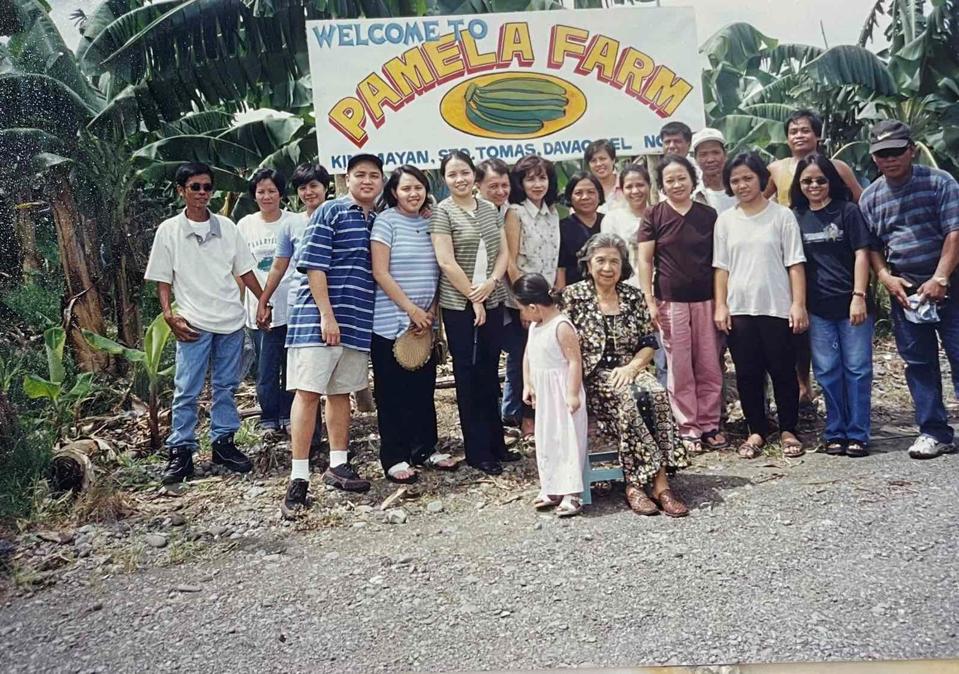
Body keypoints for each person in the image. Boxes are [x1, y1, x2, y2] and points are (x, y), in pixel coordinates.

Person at [144, 162, 263, 484]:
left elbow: (245, 270)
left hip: (231, 320)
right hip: (193, 321)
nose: (201, 193)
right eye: (194, 187)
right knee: (187, 389)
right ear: (181, 190)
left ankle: (223, 444)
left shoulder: (227, 227)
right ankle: (181, 451)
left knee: (226, 387)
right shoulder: (169, 230)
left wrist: (263, 300)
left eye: (207, 187)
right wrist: (169, 314)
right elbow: (162, 279)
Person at [280, 154, 383, 517]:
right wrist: (326, 315)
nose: (367, 181)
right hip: (318, 319)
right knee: (308, 393)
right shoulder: (331, 212)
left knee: (341, 394)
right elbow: (314, 266)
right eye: (360, 175)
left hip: (356, 322)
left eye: (374, 175)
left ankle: (338, 464)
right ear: (347, 179)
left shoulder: (377, 220)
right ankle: (299, 476)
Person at [563, 233, 690, 518]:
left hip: (630, 367)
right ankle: (640, 485)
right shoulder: (573, 296)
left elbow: (648, 343)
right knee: (629, 400)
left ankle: (657, 485)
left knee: (656, 393)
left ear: (623, 266)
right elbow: (561, 343)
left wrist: (632, 368)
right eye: (601, 261)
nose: (607, 268)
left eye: (614, 262)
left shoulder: (632, 296)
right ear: (588, 263)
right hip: (594, 375)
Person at [860, 119, 959, 460]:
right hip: (905, 288)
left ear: (911, 150)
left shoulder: (939, 182)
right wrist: (885, 277)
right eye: (882, 154)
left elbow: (953, 233)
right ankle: (934, 431)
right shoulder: (871, 197)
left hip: (950, 281)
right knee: (918, 362)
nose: (889, 159)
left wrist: (941, 277)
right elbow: (871, 245)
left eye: (896, 151)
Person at [714, 152, 808, 459]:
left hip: (777, 307)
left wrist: (798, 304)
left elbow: (795, 263)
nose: (742, 185)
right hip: (740, 308)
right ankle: (756, 429)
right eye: (735, 180)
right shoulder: (726, 220)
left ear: (761, 179)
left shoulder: (782, 216)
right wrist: (721, 306)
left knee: (782, 370)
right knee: (747, 373)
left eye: (747, 178)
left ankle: (788, 429)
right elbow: (721, 268)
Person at [430, 150, 517, 475]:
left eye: (464, 172)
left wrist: (492, 283)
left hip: (491, 300)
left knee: (489, 372)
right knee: (467, 375)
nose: (460, 179)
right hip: (459, 306)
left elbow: (503, 251)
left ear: (473, 175)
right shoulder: (443, 212)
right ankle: (477, 451)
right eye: (452, 175)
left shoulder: (488, 208)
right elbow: (445, 260)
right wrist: (473, 297)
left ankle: (497, 444)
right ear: (445, 179)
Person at [370, 165, 455, 483]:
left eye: (418, 187)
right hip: (391, 322)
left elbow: (438, 270)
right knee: (392, 394)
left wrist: (430, 313)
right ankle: (394, 456)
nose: (413, 193)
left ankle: (425, 449)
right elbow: (381, 272)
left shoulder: (432, 220)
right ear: (394, 192)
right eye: (406, 188)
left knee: (423, 389)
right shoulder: (385, 221)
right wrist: (411, 310)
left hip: (425, 322)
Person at [638, 155, 726, 453]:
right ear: (662, 185)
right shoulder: (654, 215)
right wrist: (649, 300)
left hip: (707, 300)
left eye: (682, 178)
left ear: (693, 179)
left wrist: (721, 302)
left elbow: (719, 264)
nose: (676, 184)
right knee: (679, 366)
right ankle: (687, 427)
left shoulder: (708, 215)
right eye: (670, 180)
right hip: (670, 301)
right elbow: (645, 260)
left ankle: (710, 424)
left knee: (709, 363)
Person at [789, 153, 875, 457]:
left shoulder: (848, 211)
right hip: (817, 307)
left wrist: (859, 295)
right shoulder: (795, 216)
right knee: (827, 370)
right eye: (807, 181)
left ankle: (859, 433)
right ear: (799, 185)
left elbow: (862, 254)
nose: (814, 185)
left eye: (820, 180)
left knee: (858, 369)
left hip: (852, 303)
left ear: (831, 181)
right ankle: (835, 430)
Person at [256, 163, 330, 455]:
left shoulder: (339, 213)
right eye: (302, 187)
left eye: (313, 185)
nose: (308, 192)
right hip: (303, 308)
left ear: (325, 187)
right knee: (306, 376)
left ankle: (335, 443)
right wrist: (264, 298)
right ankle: (309, 442)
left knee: (333, 380)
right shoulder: (291, 224)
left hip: (338, 305)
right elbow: (278, 265)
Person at [515, 274, 587, 517]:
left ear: (533, 307)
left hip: (563, 391)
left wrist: (572, 393)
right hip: (544, 394)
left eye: (522, 310)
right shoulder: (535, 326)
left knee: (567, 440)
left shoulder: (561, 325)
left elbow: (575, 361)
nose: (522, 315)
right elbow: (528, 355)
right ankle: (552, 486)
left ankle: (572, 493)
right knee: (548, 439)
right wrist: (528, 383)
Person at [503, 155, 561, 436]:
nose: (537, 184)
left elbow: (554, 260)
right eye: (530, 178)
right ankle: (524, 418)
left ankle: (544, 414)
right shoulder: (516, 212)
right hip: (524, 302)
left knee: (547, 357)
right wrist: (525, 305)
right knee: (525, 358)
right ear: (520, 182)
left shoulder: (552, 213)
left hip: (548, 302)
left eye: (542, 178)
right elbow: (511, 263)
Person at [237, 168, 297, 439]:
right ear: (254, 195)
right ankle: (269, 416)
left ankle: (289, 414)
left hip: (294, 306)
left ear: (281, 193)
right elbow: (239, 269)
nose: (267, 196)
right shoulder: (245, 225)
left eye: (272, 190)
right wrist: (241, 305)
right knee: (266, 368)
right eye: (261, 191)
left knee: (293, 367)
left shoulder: (294, 221)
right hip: (260, 309)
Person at [766, 109, 863, 207]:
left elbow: (862, 200)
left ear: (818, 136)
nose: (799, 136)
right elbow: (757, 200)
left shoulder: (838, 168)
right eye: (793, 132)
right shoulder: (776, 169)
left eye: (805, 131)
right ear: (787, 139)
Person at [601, 163, 652, 279]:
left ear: (649, 185)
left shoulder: (660, 215)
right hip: (625, 286)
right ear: (622, 190)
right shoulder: (612, 219)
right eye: (629, 187)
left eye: (640, 185)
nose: (635, 191)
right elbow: (608, 256)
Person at [557, 171, 605, 288]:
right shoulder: (562, 227)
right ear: (570, 197)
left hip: (608, 292)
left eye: (591, 192)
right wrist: (562, 297)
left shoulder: (609, 222)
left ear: (599, 195)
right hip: (575, 293)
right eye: (578, 193)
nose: (585, 197)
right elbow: (560, 267)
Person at [691, 128, 738, 213]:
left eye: (715, 152)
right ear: (695, 158)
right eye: (703, 154)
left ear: (725, 154)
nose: (710, 159)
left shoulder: (743, 188)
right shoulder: (692, 194)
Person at [584, 139, 623, 212]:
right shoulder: (584, 189)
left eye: (602, 159)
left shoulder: (626, 184)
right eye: (593, 161)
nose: (598, 164)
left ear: (613, 160)